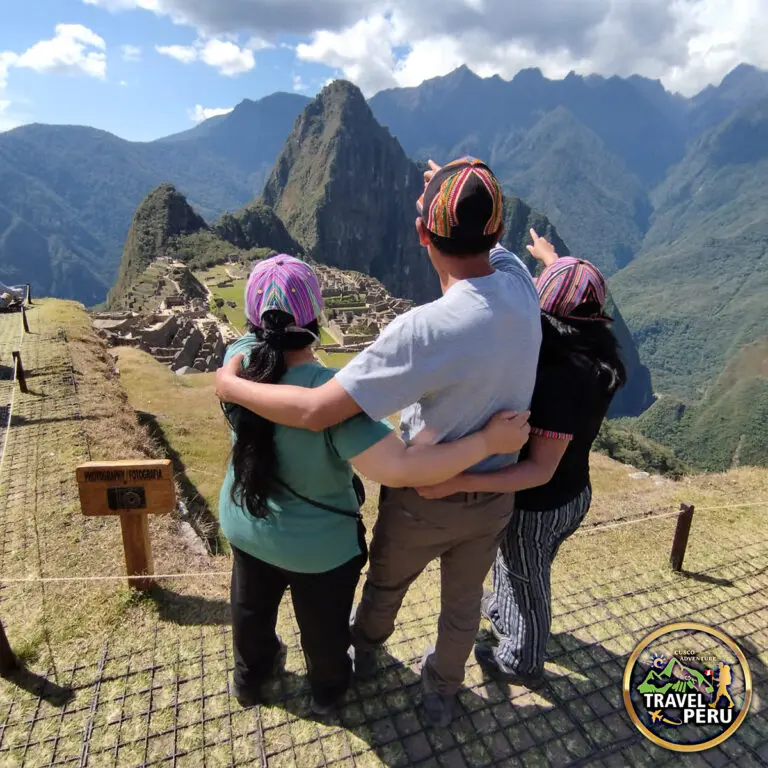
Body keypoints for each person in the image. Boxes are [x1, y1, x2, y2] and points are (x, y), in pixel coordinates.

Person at [215, 158, 542, 726]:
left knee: (383, 586)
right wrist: (491, 439)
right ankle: (439, 689)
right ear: (495, 232)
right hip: (494, 498)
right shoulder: (520, 285)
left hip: (414, 502)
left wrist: (231, 386)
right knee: (462, 606)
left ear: (422, 233)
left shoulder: (421, 331)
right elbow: (365, 442)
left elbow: (320, 412)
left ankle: (357, 655)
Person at [417, 230, 627, 686]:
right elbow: (571, 291)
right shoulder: (595, 355)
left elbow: (539, 468)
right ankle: (502, 609)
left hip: (542, 504)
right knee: (518, 572)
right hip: (574, 494)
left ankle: (522, 659)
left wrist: (458, 480)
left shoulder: (560, 380)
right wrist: (551, 258)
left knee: (527, 581)